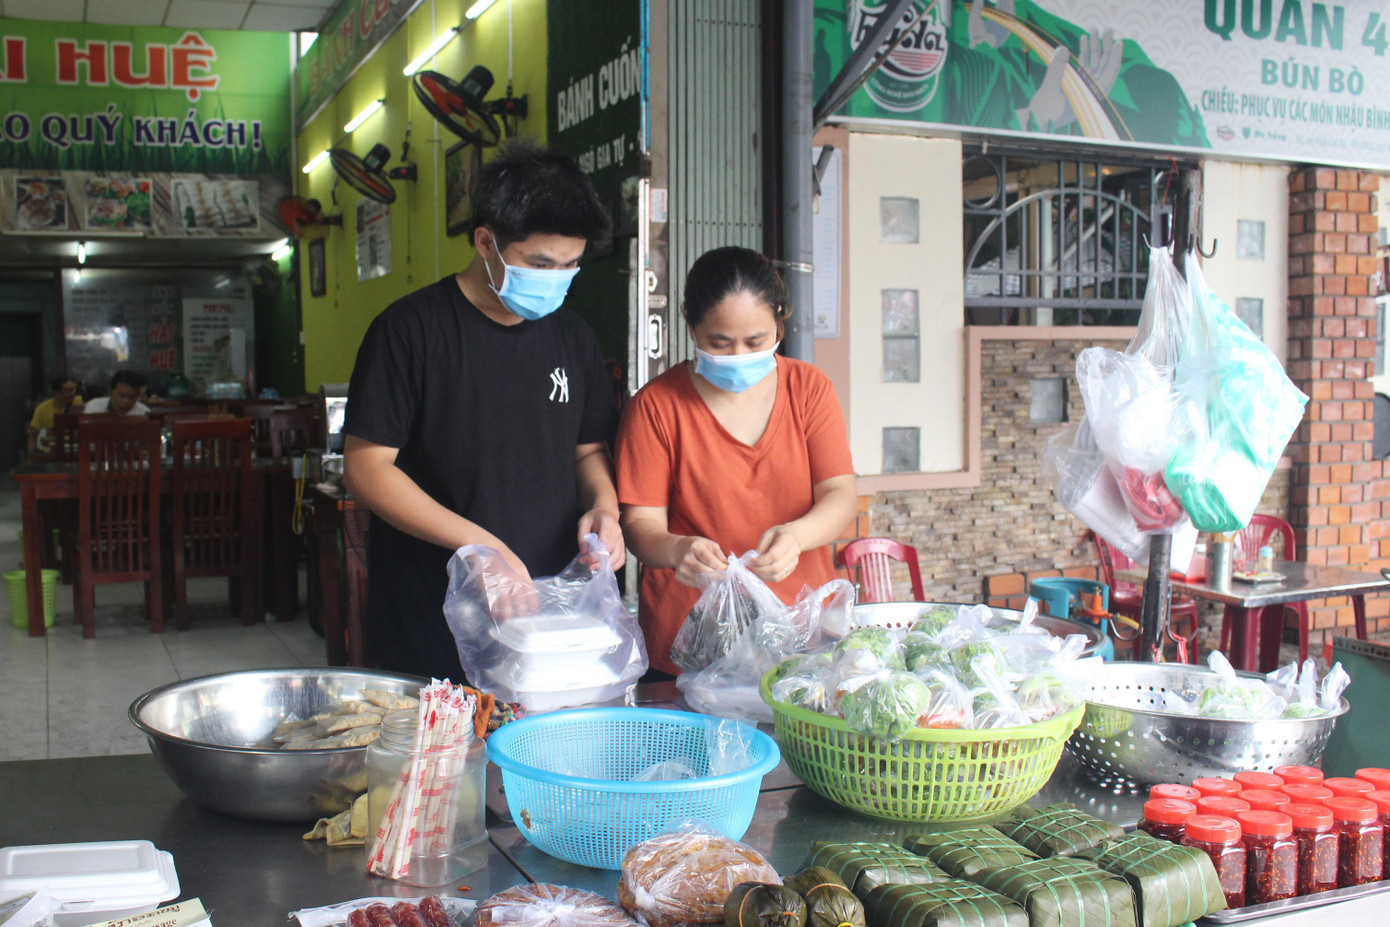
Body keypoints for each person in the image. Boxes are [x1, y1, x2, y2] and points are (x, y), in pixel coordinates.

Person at [342, 143, 623, 681]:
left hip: (549, 615)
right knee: (445, 761)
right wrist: (483, 546)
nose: (555, 279)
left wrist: (604, 510)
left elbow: (587, 449)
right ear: (486, 242)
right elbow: (368, 468)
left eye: (569, 266)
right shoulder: (410, 331)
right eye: (539, 264)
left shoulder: (573, 336)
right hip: (432, 612)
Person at [616, 246, 858, 676]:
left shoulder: (809, 389)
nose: (737, 355)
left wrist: (797, 536)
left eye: (755, 342)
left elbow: (840, 496)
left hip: (800, 634)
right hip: (691, 643)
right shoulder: (656, 406)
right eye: (720, 343)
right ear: (691, 323)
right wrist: (677, 549)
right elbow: (639, 526)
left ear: (780, 321)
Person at [27, 376, 82, 453]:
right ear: (57, 393)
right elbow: (33, 434)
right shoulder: (42, 408)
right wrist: (32, 454)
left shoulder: (80, 402)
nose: (73, 394)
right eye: (69, 391)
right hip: (52, 451)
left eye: (74, 390)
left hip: (77, 450)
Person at [83, 370, 150, 416]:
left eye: (131, 397)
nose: (126, 401)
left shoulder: (144, 413)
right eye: (122, 396)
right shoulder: (94, 407)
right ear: (110, 392)